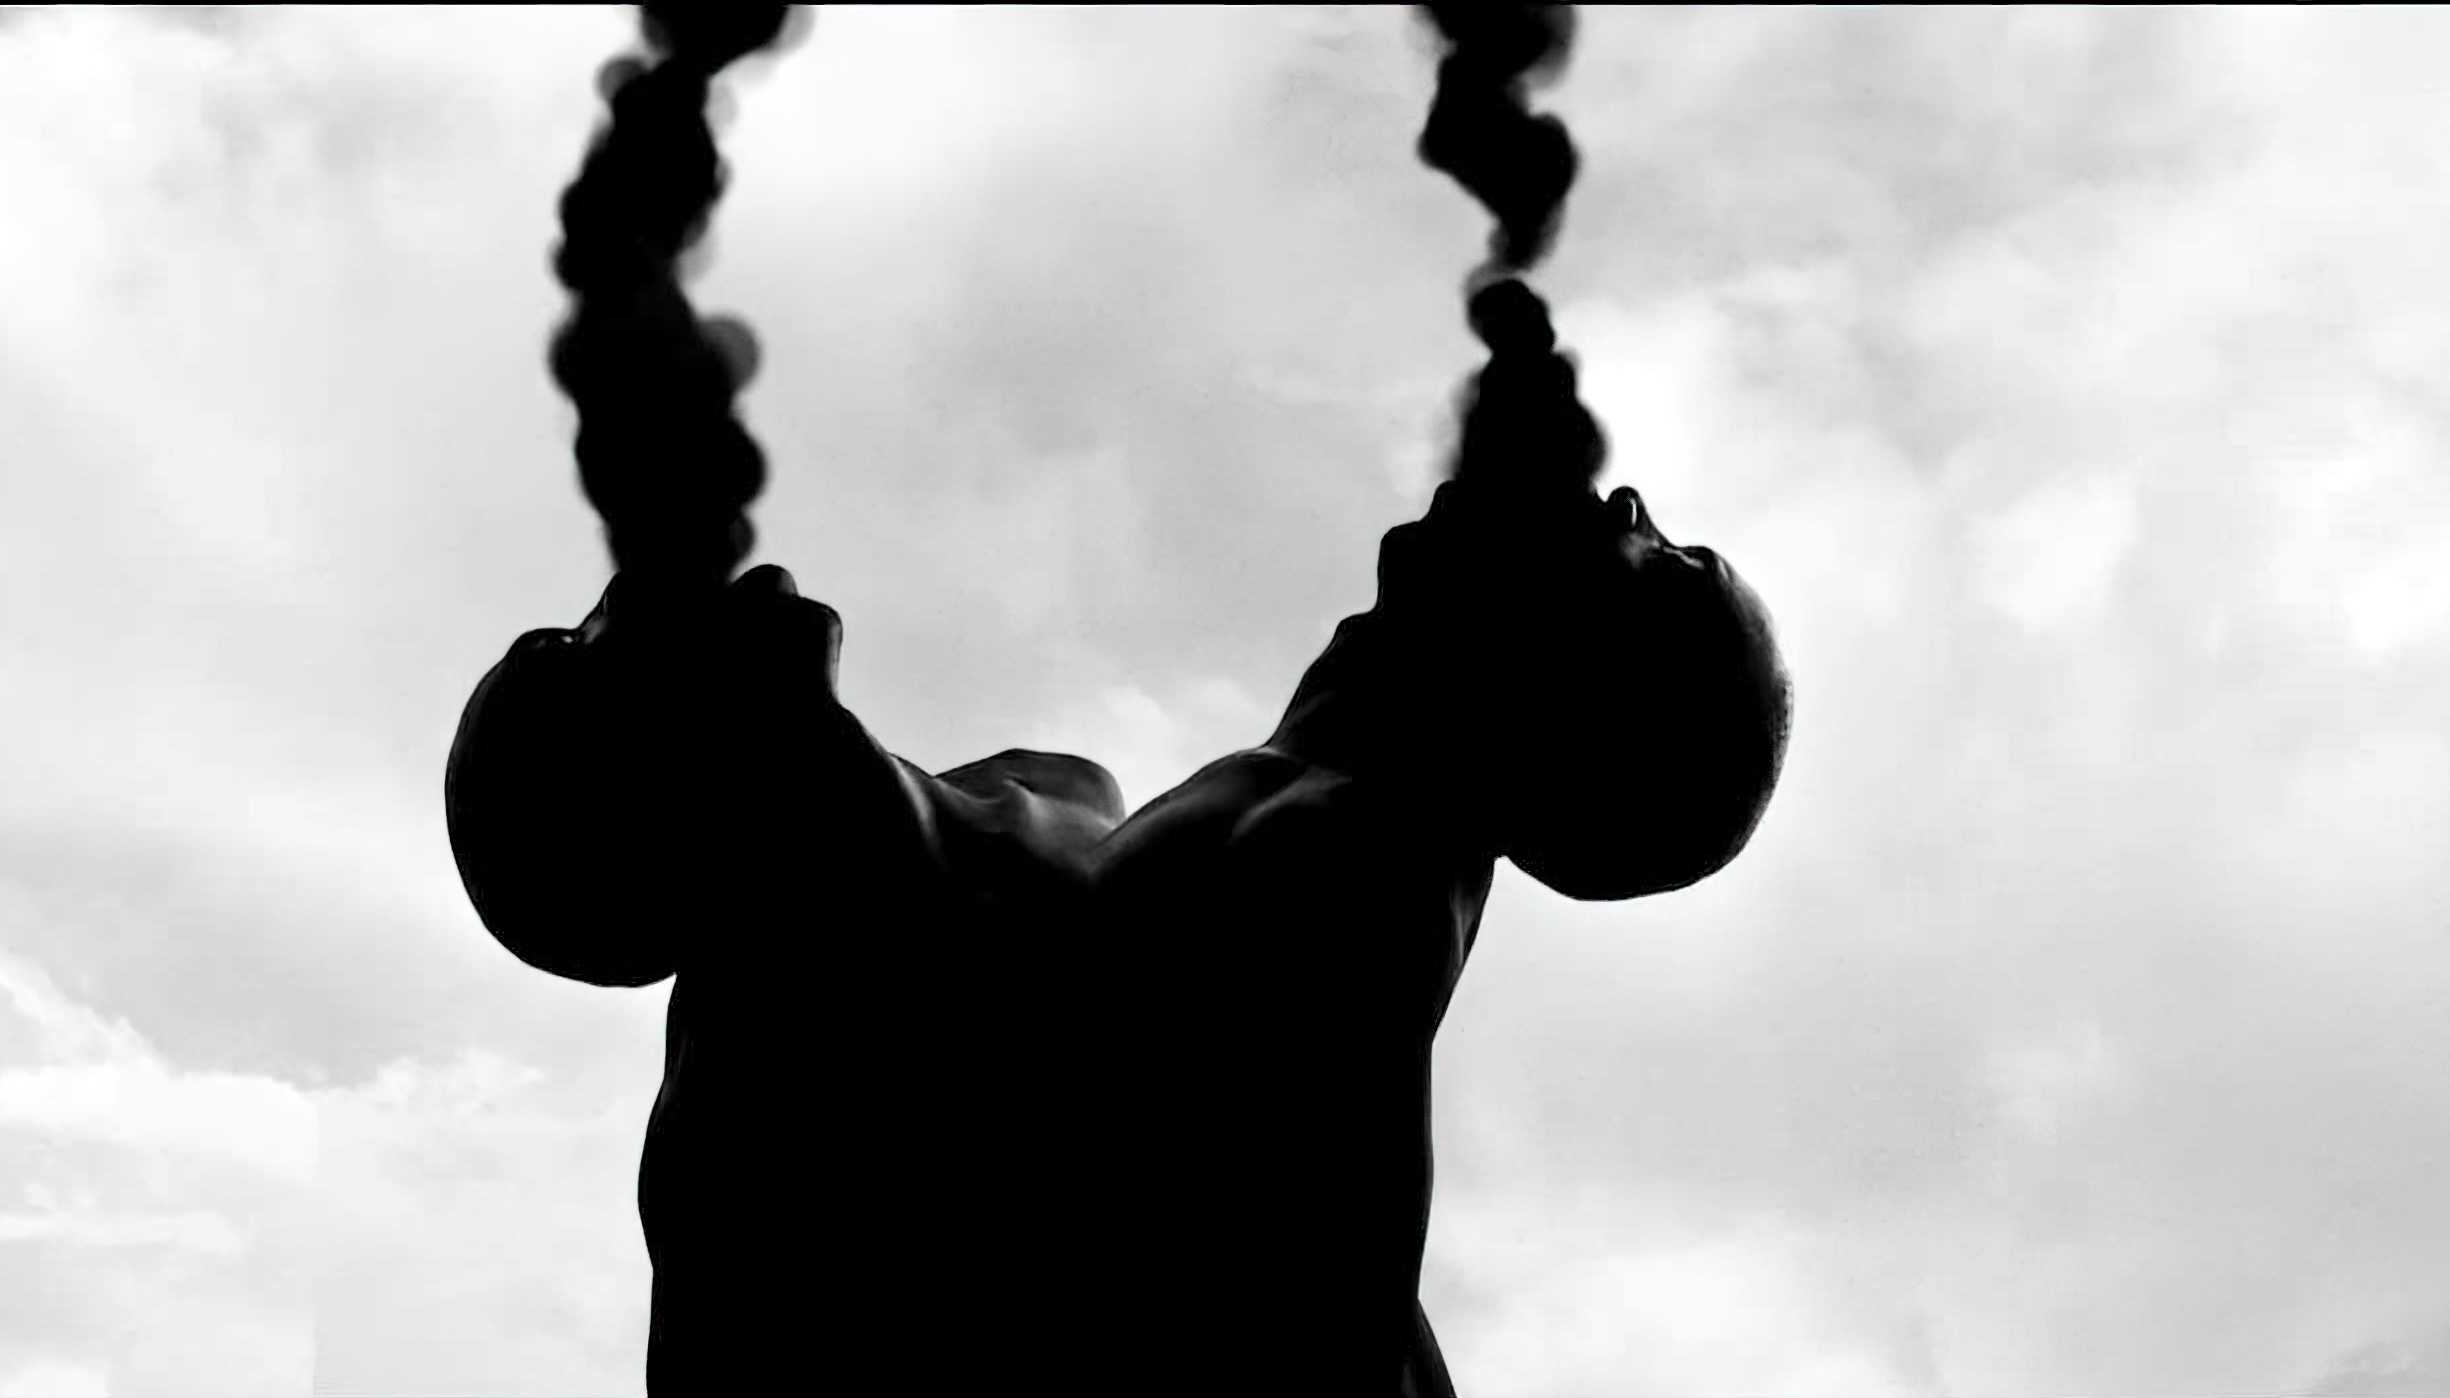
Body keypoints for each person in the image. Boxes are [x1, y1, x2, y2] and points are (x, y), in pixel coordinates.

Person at [446, 470, 1787, 1394]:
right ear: (643, 789)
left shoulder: (1065, 811)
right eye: (573, 650)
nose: (623, 591)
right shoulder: (1329, 880)